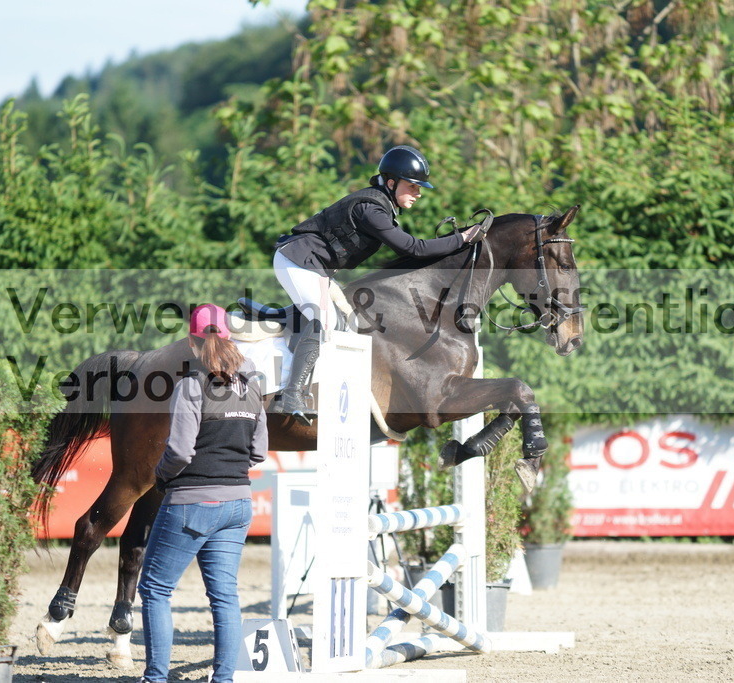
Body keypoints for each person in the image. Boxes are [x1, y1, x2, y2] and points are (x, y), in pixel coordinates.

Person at [272, 144, 481, 424]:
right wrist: (462, 239)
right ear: (391, 183)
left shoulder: (381, 206)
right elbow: (413, 248)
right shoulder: (371, 210)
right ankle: (290, 395)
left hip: (317, 268)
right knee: (324, 321)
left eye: (419, 187)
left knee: (345, 323)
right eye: (412, 186)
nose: (418, 193)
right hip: (296, 260)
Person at [138, 304, 267, 683]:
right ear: (229, 338)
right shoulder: (252, 384)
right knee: (224, 595)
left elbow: (180, 451)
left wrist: (161, 476)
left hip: (193, 501)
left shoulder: (191, 385)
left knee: (155, 589)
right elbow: (259, 450)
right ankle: (223, 679)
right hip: (238, 503)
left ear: (192, 343)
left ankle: (155, 678)